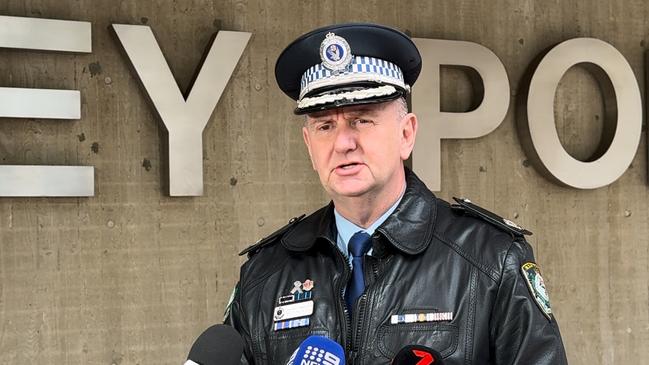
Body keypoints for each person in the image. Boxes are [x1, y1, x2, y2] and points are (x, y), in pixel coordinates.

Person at [224, 23, 568, 365]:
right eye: (325, 126)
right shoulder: (265, 273)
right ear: (309, 145)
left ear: (407, 134)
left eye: (362, 120)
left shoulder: (490, 258)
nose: (343, 143)